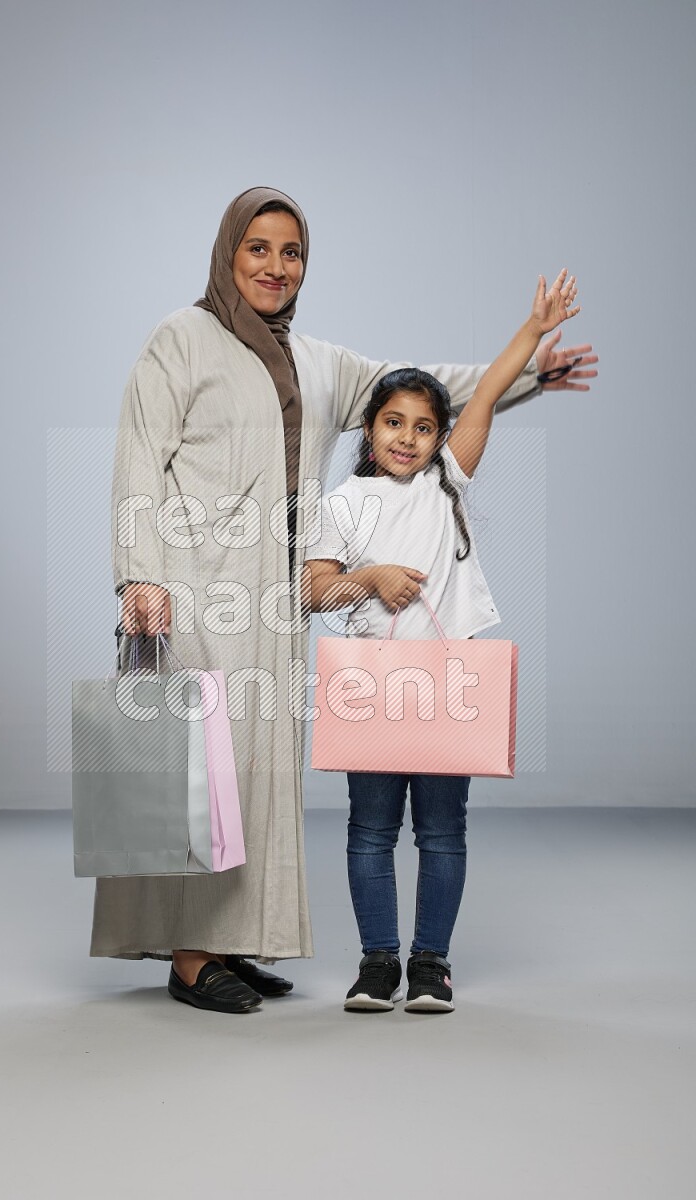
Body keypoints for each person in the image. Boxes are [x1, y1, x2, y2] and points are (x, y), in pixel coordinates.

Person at [90, 185, 597, 1014]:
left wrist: (528, 374)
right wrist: (136, 572)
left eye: (292, 253)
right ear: (228, 253)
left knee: (257, 774)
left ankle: (225, 940)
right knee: (192, 770)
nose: (276, 266)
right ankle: (187, 957)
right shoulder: (179, 340)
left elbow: (428, 392)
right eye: (259, 248)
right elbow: (139, 457)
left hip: (279, 597)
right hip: (191, 586)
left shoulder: (320, 362)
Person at [302, 268, 581, 1013]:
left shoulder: (447, 483)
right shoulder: (344, 502)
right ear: (370, 430)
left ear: (438, 438)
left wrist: (534, 331)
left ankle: (431, 965)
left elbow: (486, 392)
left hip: (448, 682)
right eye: (394, 422)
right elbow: (311, 589)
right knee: (370, 829)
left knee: (442, 830)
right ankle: (376, 964)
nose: (409, 438)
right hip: (372, 682)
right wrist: (373, 578)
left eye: (424, 427)